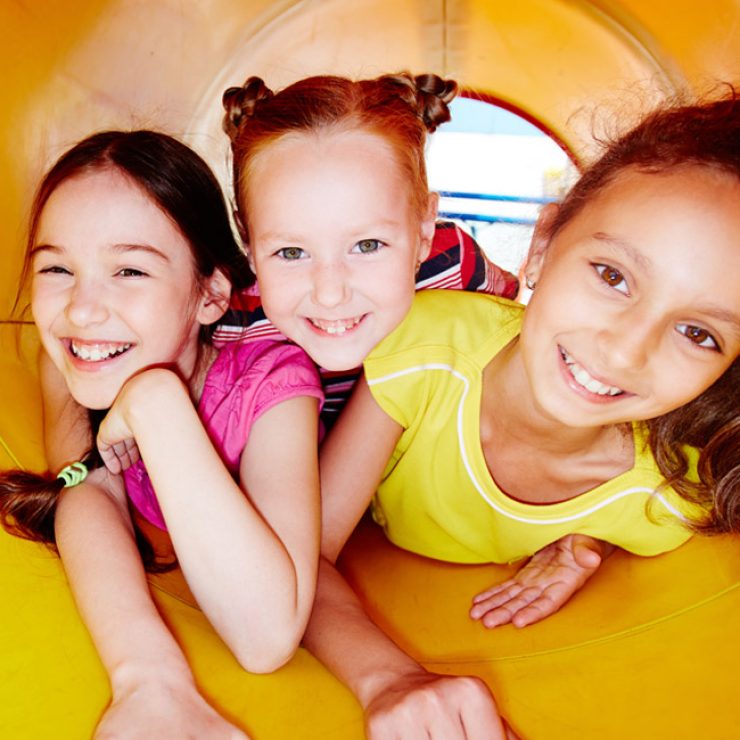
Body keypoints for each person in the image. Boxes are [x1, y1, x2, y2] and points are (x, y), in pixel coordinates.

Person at [305, 91, 740, 738]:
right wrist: (388, 678)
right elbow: (298, 560)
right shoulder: (428, 350)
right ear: (542, 245)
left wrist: (589, 540)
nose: (625, 350)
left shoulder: (668, 500)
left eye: (698, 333)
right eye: (612, 276)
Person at [0, 130, 323, 738]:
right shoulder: (68, 362)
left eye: (129, 270)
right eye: (57, 268)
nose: (81, 310)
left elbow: (267, 636)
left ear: (210, 294)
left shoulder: (274, 387)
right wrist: (147, 678)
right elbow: (88, 489)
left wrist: (156, 403)